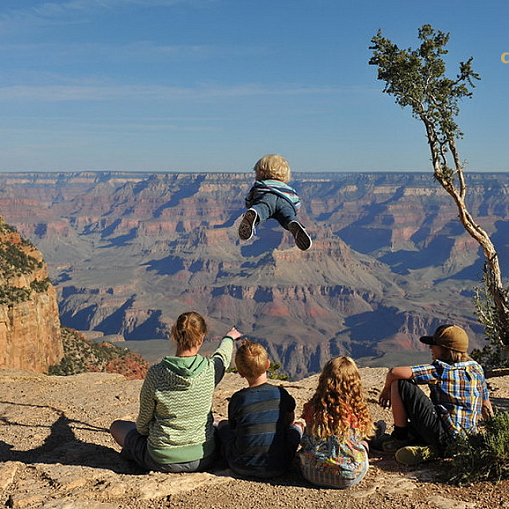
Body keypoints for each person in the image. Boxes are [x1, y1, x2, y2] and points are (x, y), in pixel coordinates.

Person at [110, 312, 243, 473]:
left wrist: (150, 435)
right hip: (204, 458)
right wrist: (229, 338)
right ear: (201, 339)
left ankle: (136, 455)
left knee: (117, 427)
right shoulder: (210, 370)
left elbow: (143, 425)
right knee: (218, 423)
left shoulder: (156, 374)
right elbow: (222, 357)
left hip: (161, 459)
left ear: (174, 335)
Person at [371, 324, 493, 466]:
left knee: (400, 383)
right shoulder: (477, 368)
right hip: (464, 441)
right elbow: (486, 405)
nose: (430, 348)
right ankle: (436, 450)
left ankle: (399, 439)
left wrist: (386, 391)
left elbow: (394, 372)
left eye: (434, 345)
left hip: (442, 434)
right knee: (417, 426)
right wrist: (493, 436)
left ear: (444, 350)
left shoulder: (442, 370)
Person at [216, 339, 302, 478]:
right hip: (280, 466)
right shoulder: (281, 394)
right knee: (297, 427)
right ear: (268, 365)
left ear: (240, 373)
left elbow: (234, 427)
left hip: (240, 465)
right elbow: (290, 421)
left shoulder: (238, 398)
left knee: (222, 425)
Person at [298, 356, 374, 489]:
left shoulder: (313, 408)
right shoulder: (356, 410)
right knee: (364, 444)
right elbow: (363, 434)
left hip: (312, 474)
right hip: (349, 476)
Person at [238, 154, 312, 251]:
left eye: (256, 173)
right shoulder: (289, 189)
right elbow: (297, 203)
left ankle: (254, 214)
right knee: (287, 217)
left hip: (266, 198)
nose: (256, 176)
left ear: (262, 173)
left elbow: (249, 198)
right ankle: (293, 222)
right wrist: (294, 211)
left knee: (262, 209)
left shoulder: (261, 185)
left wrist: (250, 205)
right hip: (285, 202)